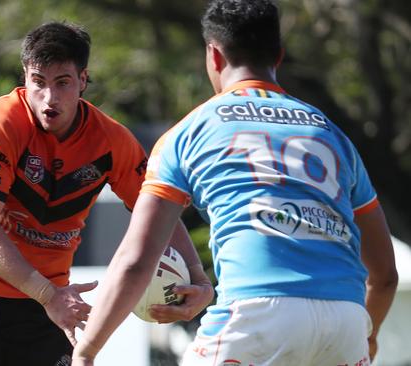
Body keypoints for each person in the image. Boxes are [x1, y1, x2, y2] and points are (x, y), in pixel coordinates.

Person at [73, 0, 399, 365]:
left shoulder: (188, 133)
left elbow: (136, 262)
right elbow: (384, 275)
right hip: (347, 320)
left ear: (213, 55)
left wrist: (86, 352)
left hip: (256, 314)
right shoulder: (333, 136)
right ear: (279, 55)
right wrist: (367, 339)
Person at [0, 21, 207, 366]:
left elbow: (159, 211)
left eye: (63, 83)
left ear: (83, 80)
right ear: (25, 77)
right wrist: (49, 295)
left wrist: (198, 275)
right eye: (38, 83)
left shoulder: (112, 142)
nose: (49, 99)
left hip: (45, 308)